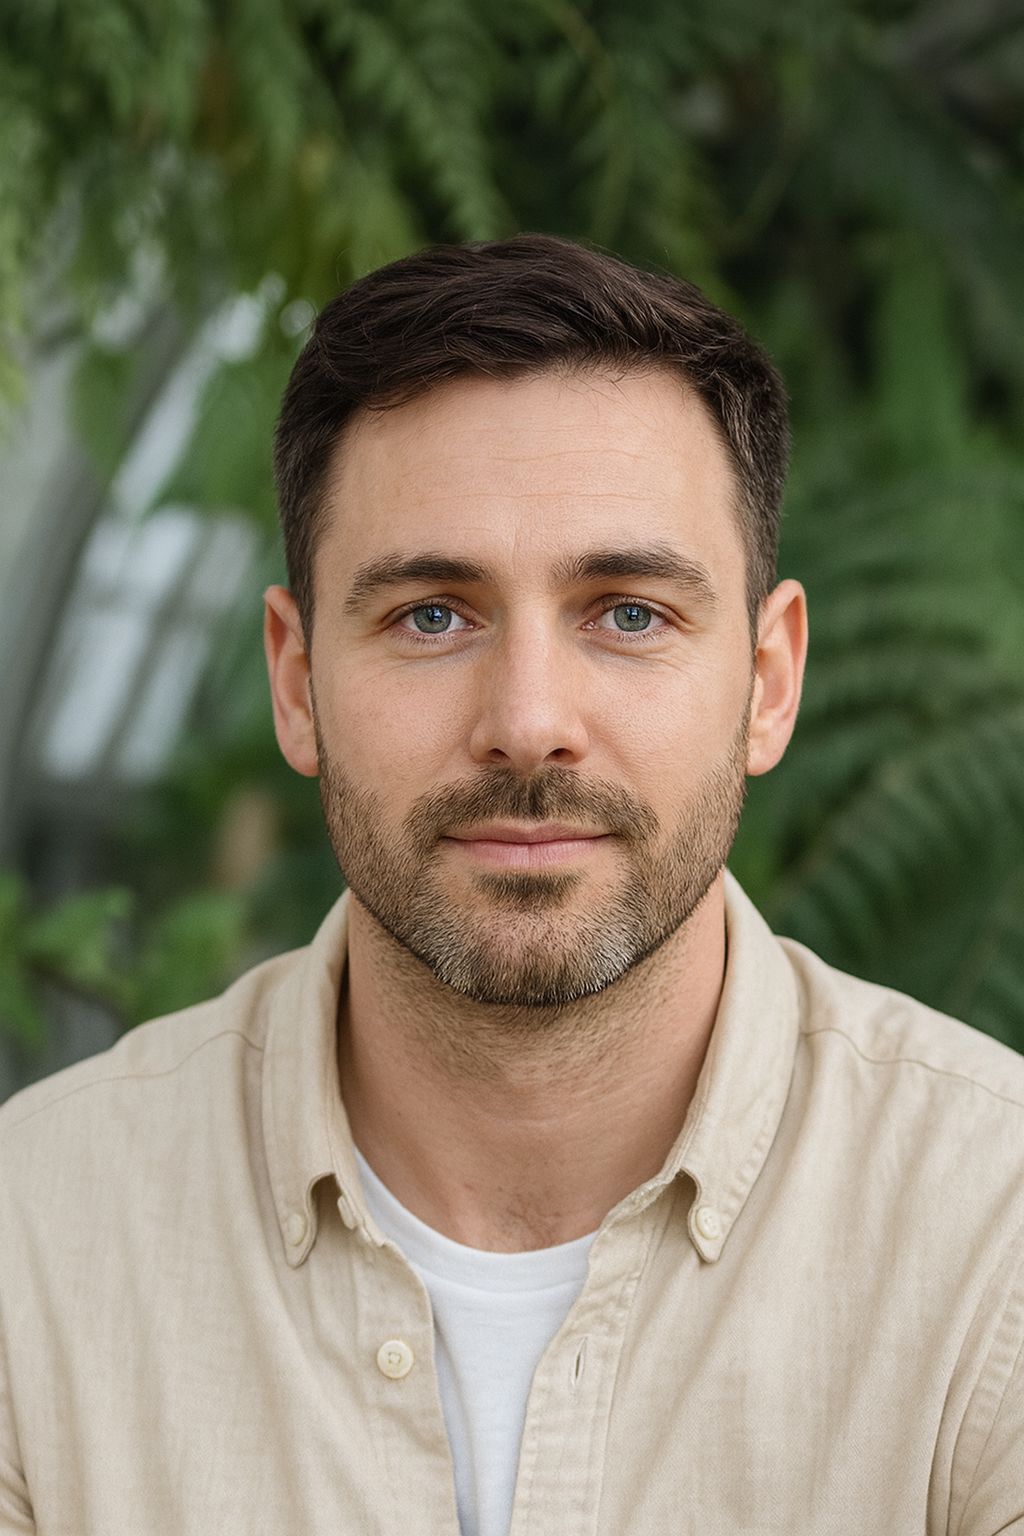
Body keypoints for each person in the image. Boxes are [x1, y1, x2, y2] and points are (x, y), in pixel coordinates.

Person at [1, 235, 1023, 1536]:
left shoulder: (997, 1231)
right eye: (433, 615)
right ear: (296, 680)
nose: (529, 721)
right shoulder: (33, 1239)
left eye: (628, 612)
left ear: (769, 682)